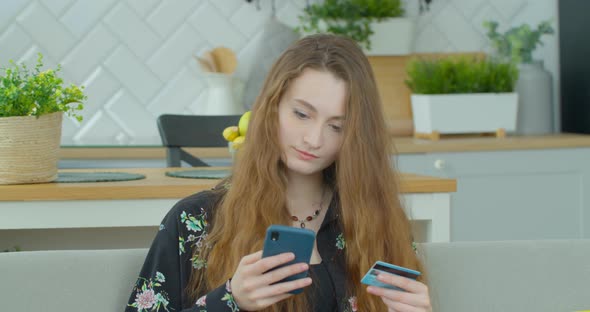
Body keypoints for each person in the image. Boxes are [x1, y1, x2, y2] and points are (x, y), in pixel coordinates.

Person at [126, 34, 431, 312]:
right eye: (301, 114)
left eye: (337, 126)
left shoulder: (379, 222)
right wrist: (231, 299)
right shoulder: (194, 221)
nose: (314, 139)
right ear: (271, 107)